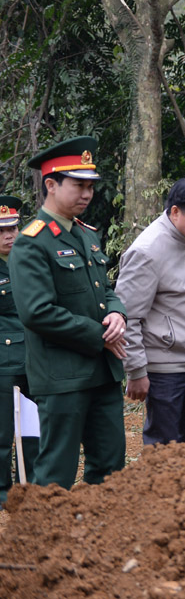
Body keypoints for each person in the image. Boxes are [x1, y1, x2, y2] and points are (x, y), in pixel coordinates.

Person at [10, 136, 127, 489]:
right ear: (51, 184)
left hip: (103, 374)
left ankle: (100, 537)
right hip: (62, 376)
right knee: (56, 470)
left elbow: (105, 289)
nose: (87, 194)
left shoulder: (88, 236)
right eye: (78, 185)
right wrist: (100, 336)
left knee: (110, 466)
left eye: (91, 186)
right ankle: (42, 542)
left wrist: (118, 314)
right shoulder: (32, 242)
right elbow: (37, 312)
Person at [115, 178, 185, 449]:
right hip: (166, 368)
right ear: (175, 211)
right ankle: (159, 493)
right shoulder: (147, 251)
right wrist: (136, 371)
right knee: (164, 447)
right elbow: (128, 316)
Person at [0, 196, 37, 503]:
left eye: (12, 227)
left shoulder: (29, 260)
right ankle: (3, 492)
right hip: (4, 360)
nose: (8, 235)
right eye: (1, 230)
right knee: (2, 434)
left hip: (36, 359)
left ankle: (32, 486)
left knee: (33, 429)